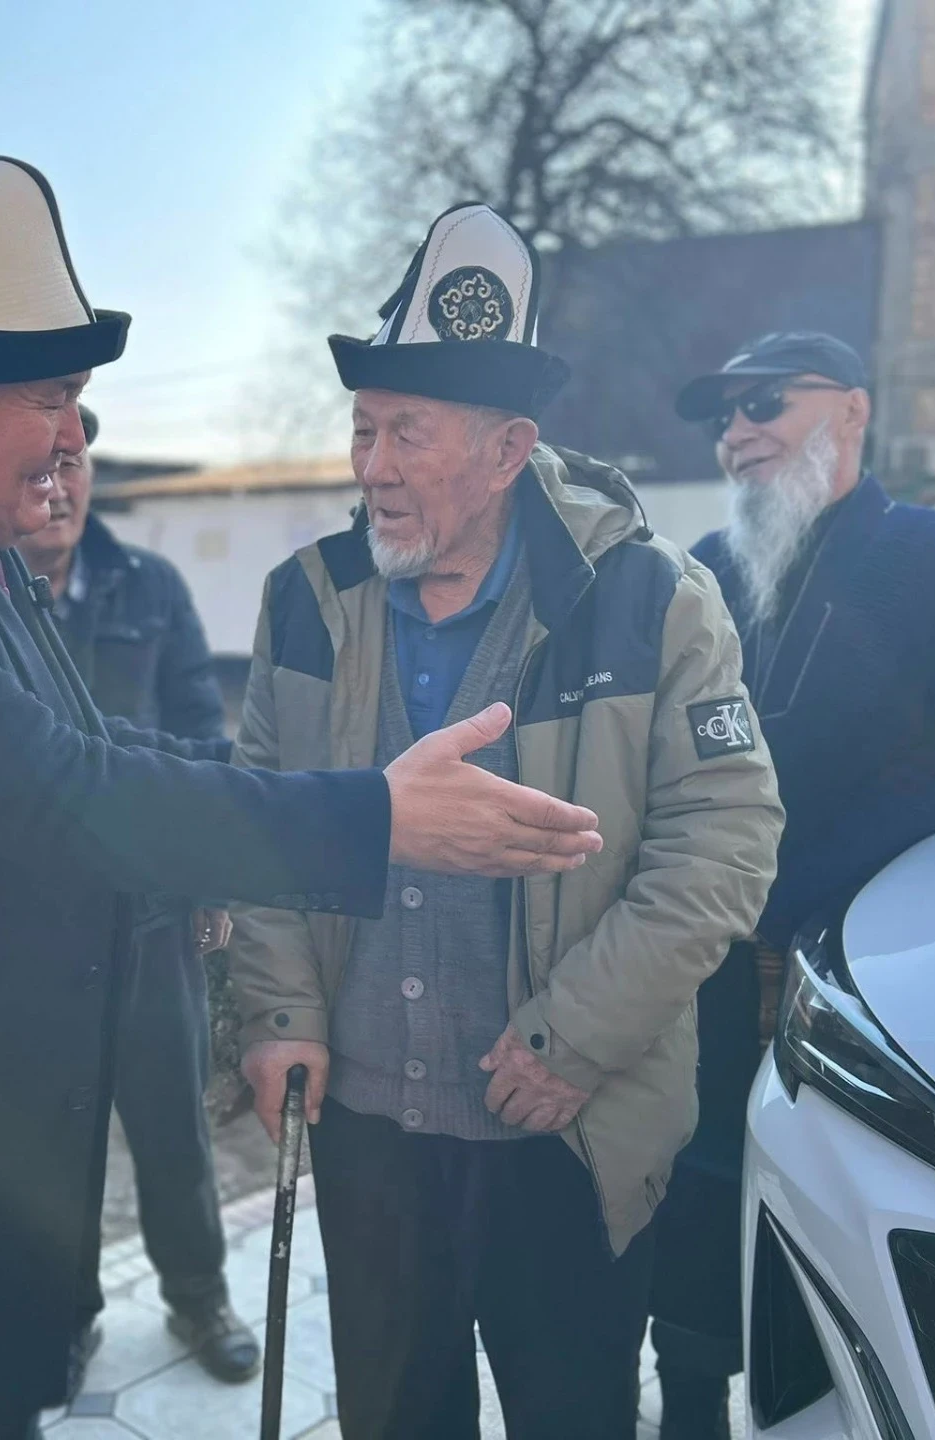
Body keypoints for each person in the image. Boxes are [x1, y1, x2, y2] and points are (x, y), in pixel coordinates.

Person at [0, 153, 609, 1440]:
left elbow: (97, 741)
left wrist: (299, 802)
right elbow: (60, 791)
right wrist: (375, 817)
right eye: (50, 395)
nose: (75, 435)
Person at [225, 202, 785, 1440]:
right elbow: (266, 822)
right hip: (370, 1133)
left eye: (408, 433)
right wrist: (279, 1015)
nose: (372, 465)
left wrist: (574, 1036)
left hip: (569, 1126)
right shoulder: (305, 600)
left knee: (573, 1415)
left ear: (507, 450)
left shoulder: (650, 599)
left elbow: (726, 839)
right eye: (364, 428)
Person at [646, 332, 935, 1439]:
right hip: (703, 958)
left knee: (839, 1205)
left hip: (861, 972)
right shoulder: (701, 573)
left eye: (765, 402)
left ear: (853, 410)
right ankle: (688, 1404)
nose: (736, 433)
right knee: (689, 1182)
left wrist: (800, 893)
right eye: (721, 417)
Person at [16, 405, 259, 1383]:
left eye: (74, 463)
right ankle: (65, 1312)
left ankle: (199, 1296)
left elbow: (199, 731)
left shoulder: (147, 585)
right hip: (30, 928)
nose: (59, 485)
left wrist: (209, 879)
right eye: (42, 465)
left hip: (149, 916)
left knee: (173, 1128)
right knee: (47, 1136)